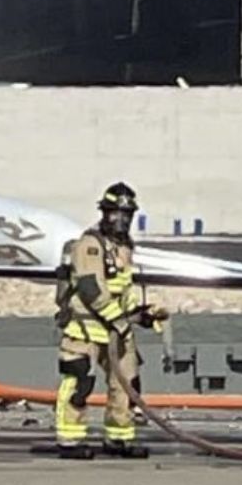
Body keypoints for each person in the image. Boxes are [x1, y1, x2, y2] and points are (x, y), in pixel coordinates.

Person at [52, 182, 164, 459]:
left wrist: (141, 313)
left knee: (126, 383)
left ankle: (119, 438)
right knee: (79, 383)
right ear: (104, 213)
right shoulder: (90, 245)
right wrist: (119, 320)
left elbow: (121, 289)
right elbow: (92, 289)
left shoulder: (123, 247)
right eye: (115, 213)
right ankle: (70, 440)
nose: (122, 220)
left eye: (127, 215)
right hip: (86, 329)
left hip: (117, 330)